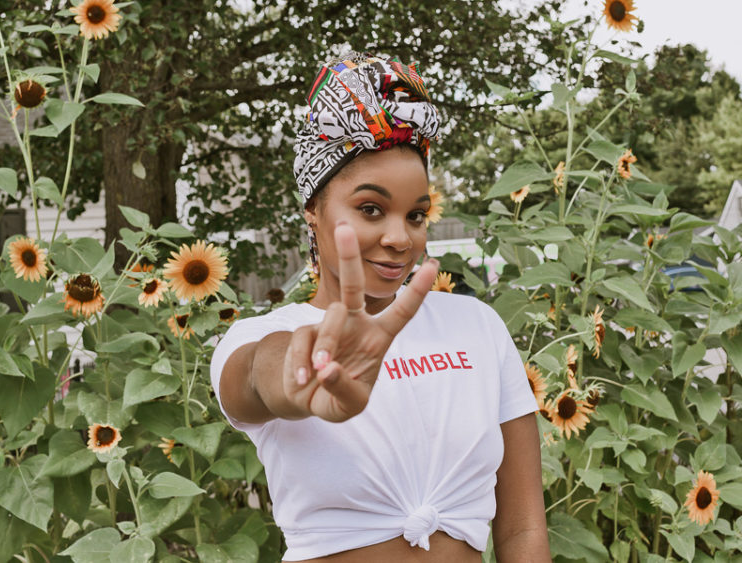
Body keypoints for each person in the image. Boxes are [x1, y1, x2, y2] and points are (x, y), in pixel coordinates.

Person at [210, 51, 550, 562]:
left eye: (416, 215)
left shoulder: (476, 326)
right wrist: (308, 367)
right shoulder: (260, 337)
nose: (398, 238)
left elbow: (523, 532)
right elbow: (259, 377)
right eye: (370, 209)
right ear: (313, 211)